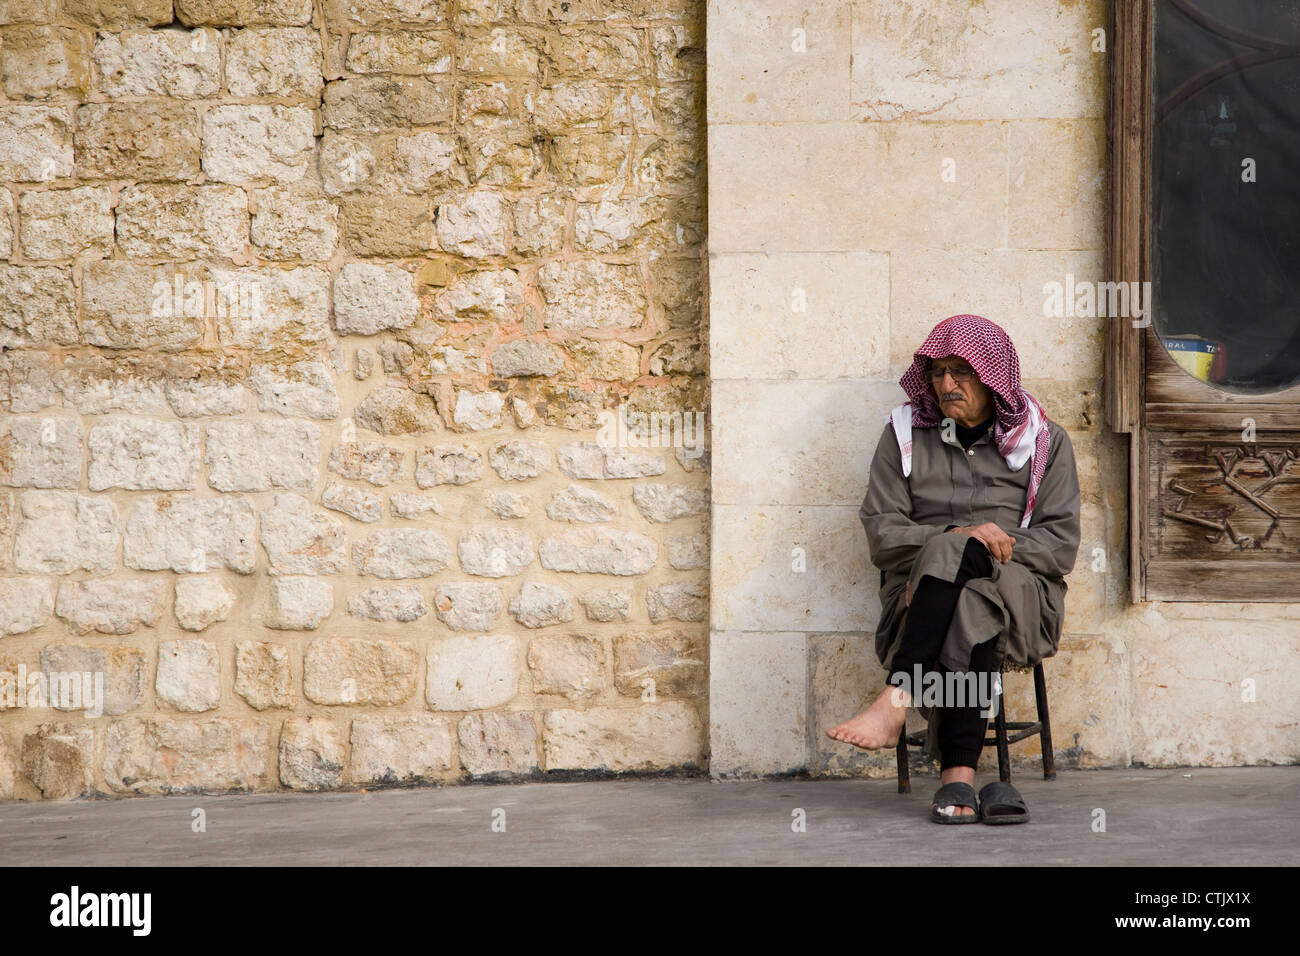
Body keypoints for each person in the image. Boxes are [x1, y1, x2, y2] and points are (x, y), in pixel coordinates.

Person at [826, 314, 1081, 824]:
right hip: (919, 601)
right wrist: (956, 539)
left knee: (969, 569)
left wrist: (990, 544)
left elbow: (1059, 546)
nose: (946, 384)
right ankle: (960, 779)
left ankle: (898, 699)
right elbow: (883, 535)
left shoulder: (1045, 443)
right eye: (938, 372)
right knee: (969, 597)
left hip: (1024, 601)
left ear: (993, 377)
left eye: (961, 371)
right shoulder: (903, 436)